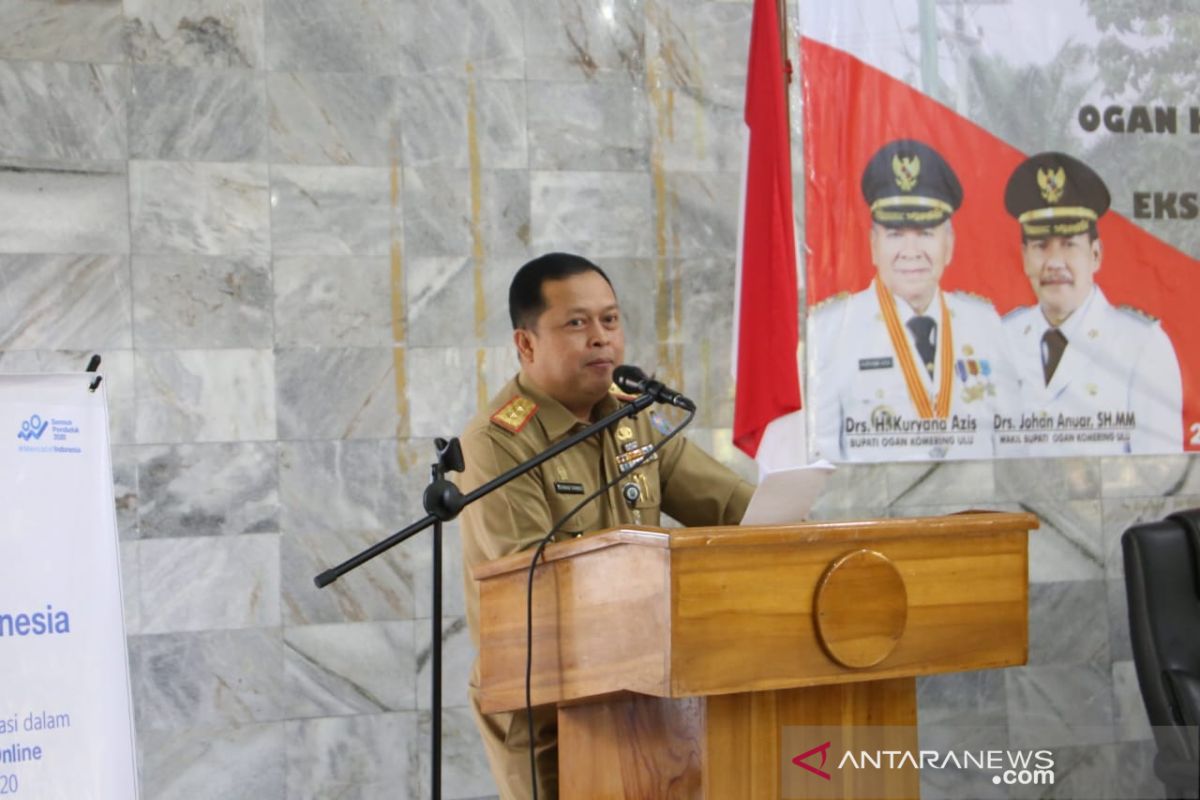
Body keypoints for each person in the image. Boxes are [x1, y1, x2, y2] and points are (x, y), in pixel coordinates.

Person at [456, 252, 754, 799]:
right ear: (526, 344)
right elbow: (537, 583)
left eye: (610, 320)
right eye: (577, 323)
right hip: (544, 697)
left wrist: (803, 531)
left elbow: (734, 507)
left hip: (639, 683)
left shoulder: (633, 416)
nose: (601, 339)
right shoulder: (497, 443)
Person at [812, 139, 1019, 461]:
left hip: (976, 509)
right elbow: (821, 456)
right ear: (873, 245)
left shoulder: (984, 322)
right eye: (895, 234)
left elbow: (1011, 443)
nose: (911, 252)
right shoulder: (832, 328)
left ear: (948, 244)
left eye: (925, 233)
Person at [1001, 152, 1183, 454]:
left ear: (1095, 255)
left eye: (1069, 245)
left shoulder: (1141, 344)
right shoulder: (1001, 338)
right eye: (1041, 246)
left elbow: (1160, 478)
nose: (1054, 262)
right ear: (1024, 257)